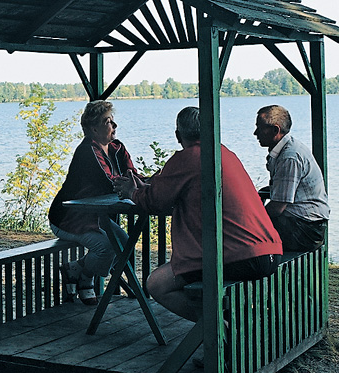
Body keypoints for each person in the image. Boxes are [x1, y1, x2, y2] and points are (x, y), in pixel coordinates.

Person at [116, 107, 282, 323]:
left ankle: (218, 331)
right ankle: (223, 327)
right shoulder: (224, 153)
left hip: (238, 256)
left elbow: (155, 202)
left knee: (157, 284)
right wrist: (145, 188)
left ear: (178, 135)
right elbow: (165, 187)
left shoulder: (187, 158)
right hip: (268, 251)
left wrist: (132, 192)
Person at [48, 100, 145, 305]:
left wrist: (149, 183)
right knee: (107, 249)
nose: (114, 125)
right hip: (67, 217)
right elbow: (111, 182)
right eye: (108, 121)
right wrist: (137, 186)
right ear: (94, 128)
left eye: (113, 120)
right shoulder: (87, 151)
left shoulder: (118, 148)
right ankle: (86, 276)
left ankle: (77, 269)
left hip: (94, 217)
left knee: (125, 244)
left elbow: (133, 176)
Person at [254, 104, 330, 252]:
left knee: (246, 233)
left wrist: (252, 219)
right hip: (305, 223)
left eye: (260, 127)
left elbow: (277, 207)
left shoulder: (289, 157)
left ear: (276, 130)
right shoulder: (287, 148)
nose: (255, 133)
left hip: (305, 229)